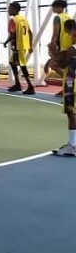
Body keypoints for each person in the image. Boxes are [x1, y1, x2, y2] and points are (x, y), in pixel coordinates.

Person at [52, 19, 76, 156]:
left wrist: (53, 52)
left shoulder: (73, 49)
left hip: (71, 85)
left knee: (71, 113)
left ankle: (72, 146)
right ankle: (72, 143)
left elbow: (63, 64)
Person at [3, 1, 35, 94]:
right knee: (12, 62)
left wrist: (6, 41)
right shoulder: (24, 19)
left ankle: (30, 86)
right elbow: (30, 33)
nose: (8, 10)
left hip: (18, 45)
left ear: (15, 9)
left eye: (10, 8)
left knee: (22, 65)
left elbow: (13, 34)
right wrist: (30, 45)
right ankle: (17, 84)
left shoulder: (13, 20)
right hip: (24, 45)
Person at [50, 0, 71, 97]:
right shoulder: (68, 17)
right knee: (67, 69)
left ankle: (68, 86)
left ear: (59, 7)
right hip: (70, 46)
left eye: (53, 7)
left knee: (53, 65)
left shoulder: (57, 18)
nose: (52, 8)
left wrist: (52, 45)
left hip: (62, 46)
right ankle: (66, 88)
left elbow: (55, 34)